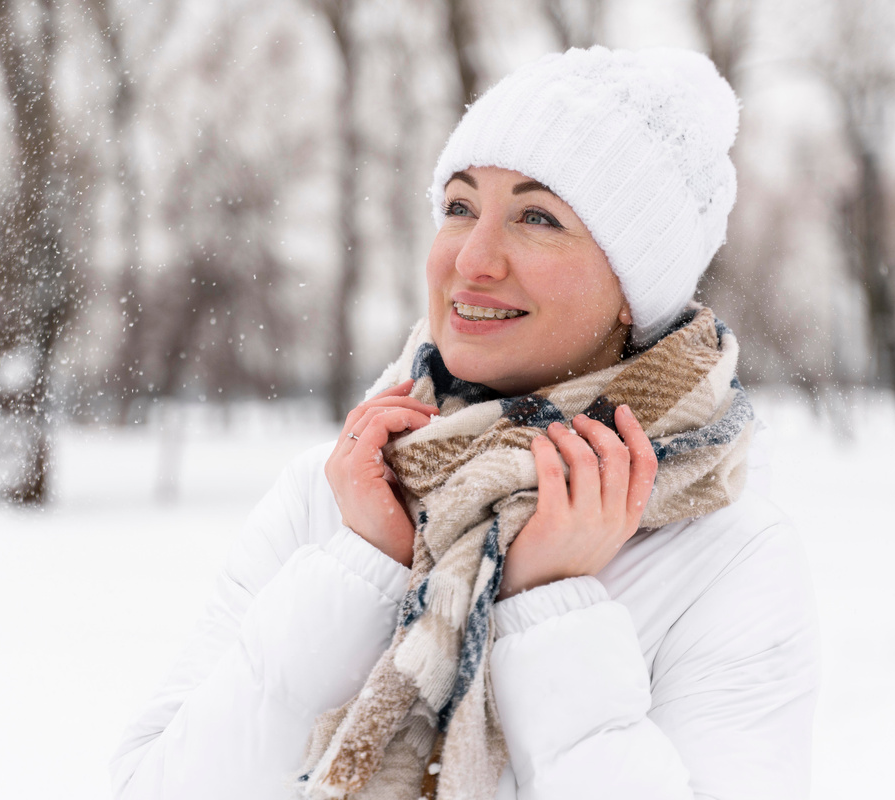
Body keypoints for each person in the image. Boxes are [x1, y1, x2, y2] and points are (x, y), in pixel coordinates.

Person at [110, 46, 819, 800]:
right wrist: (362, 570)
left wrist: (550, 607)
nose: (473, 259)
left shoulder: (727, 554)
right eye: (459, 207)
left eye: (537, 218)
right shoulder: (336, 493)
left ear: (633, 291)